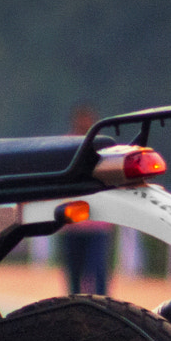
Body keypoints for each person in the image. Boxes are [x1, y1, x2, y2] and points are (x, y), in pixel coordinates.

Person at [61, 104, 114, 296]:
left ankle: (103, 310)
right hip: (73, 222)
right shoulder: (65, 146)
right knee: (74, 275)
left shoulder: (102, 146)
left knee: (98, 272)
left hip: (97, 222)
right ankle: (75, 308)